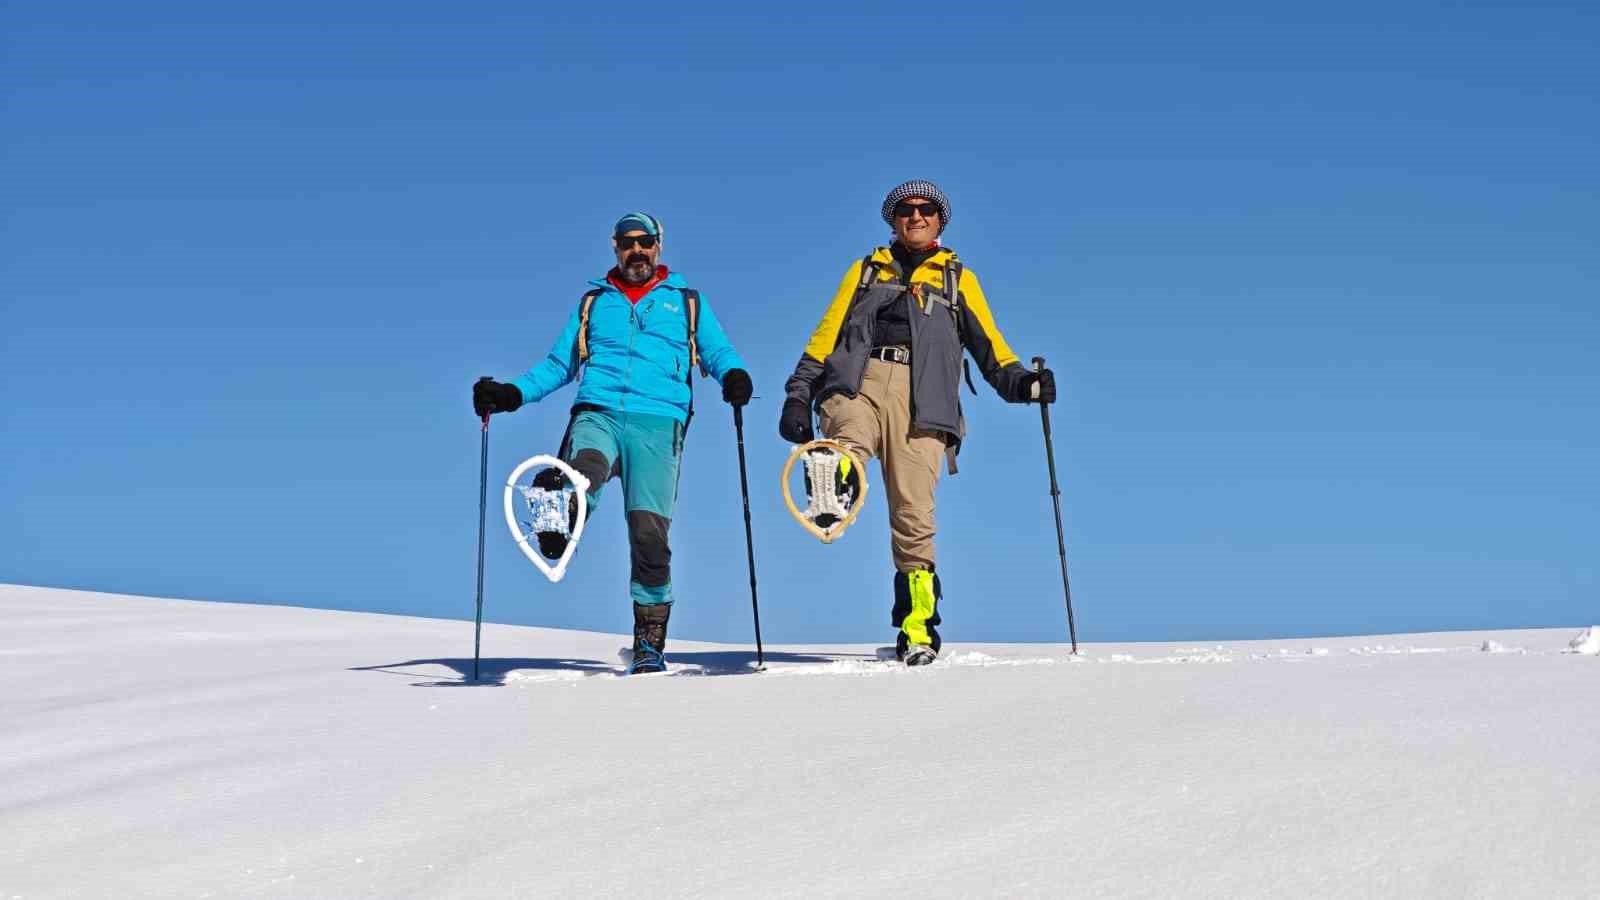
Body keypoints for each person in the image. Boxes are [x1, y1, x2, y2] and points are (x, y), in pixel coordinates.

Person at [779, 180, 1054, 666]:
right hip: (859, 381)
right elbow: (825, 335)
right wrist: (799, 395)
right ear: (893, 220)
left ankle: (917, 628)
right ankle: (831, 483)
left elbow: (992, 348)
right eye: (906, 210)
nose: (916, 216)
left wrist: (1024, 385)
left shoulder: (956, 279)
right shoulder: (866, 271)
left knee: (914, 518)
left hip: (925, 401)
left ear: (940, 220)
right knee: (849, 439)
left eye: (926, 210)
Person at [474, 212, 752, 674]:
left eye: (645, 242)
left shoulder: (685, 302)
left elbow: (718, 350)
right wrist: (510, 394)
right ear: (615, 248)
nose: (637, 251)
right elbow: (558, 365)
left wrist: (734, 375)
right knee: (581, 473)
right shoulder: (594, 302)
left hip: (660, 422)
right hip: (597, 411)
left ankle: (648, 643)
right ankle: (555, 517)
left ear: (659, 247)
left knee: (649, 534)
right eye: (628, 243)